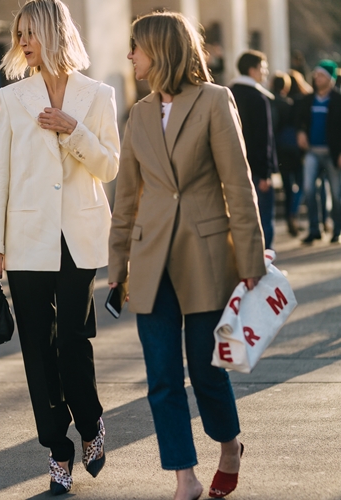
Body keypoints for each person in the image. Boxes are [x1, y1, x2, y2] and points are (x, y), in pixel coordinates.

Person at [108, 12, 266, 500]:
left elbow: (238, 186)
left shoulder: (216, 101)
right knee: (161, 379)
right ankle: (184, 477)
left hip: (207, 258)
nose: (130, 55)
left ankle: (230, 445)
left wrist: (253, 266)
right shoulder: (137, 114)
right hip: (150, 262)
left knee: (205, 371)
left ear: (161, 50)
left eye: (136, 47)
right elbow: (126, 198)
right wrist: (116, 269)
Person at [0, 0, 120, 495]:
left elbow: (110, 167)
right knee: (37, 347)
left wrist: (72, 129)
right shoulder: (13, 97)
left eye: (28, 32)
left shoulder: (98, 95)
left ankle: (91, 423)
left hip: (78, 238)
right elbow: (3, 178)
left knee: (73, 342)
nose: (21, 42)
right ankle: (57, 449)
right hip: (25, 239)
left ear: (52, 32)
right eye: (18, 34)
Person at [230, 50, 278, 249]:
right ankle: (265, 263)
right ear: (252, 70)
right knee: (263, 217)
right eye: (263, 68)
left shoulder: (228, 92)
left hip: (233, 168)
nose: (265, 73)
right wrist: (266, 172)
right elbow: (262, 138)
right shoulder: (258, 98)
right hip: (257, 169)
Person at [296, 59, 341, 244]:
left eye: (321, 75)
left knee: (337, 194)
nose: (317, 79)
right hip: (312, 152)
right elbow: (300, 119)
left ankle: (337, 229)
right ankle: (314, 229)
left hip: (332, 154)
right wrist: (300, 132)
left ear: (330, 78)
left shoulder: (338, 100)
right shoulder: (308, 99)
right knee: (308, 189)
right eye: (316, 75)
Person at [270, 71, 303, 236]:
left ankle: (292, 214)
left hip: (279, 150)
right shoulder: (288, 104)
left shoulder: (269, 102)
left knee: (287, 185)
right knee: (296, 184)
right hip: (291, 148)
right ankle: (292, 214)